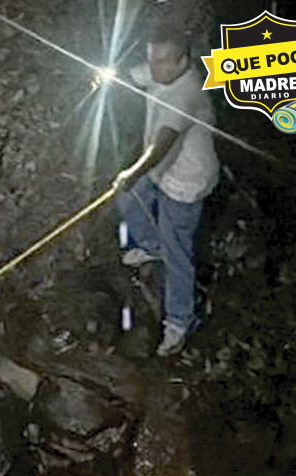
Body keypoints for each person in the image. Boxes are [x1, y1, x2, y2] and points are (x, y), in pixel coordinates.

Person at [113, 20, 219, 357]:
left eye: (161, 62)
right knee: (130, 198)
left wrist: (131, 171)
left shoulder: (187, 92)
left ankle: (179, 322)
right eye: (152, 59)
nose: (154, 68)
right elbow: (133, 76)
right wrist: (107, 81)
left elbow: (161, 144)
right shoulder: (161, 71)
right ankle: (149, 245)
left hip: (185, 184)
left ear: (183, 62)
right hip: (160, 172)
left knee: (178, 253)